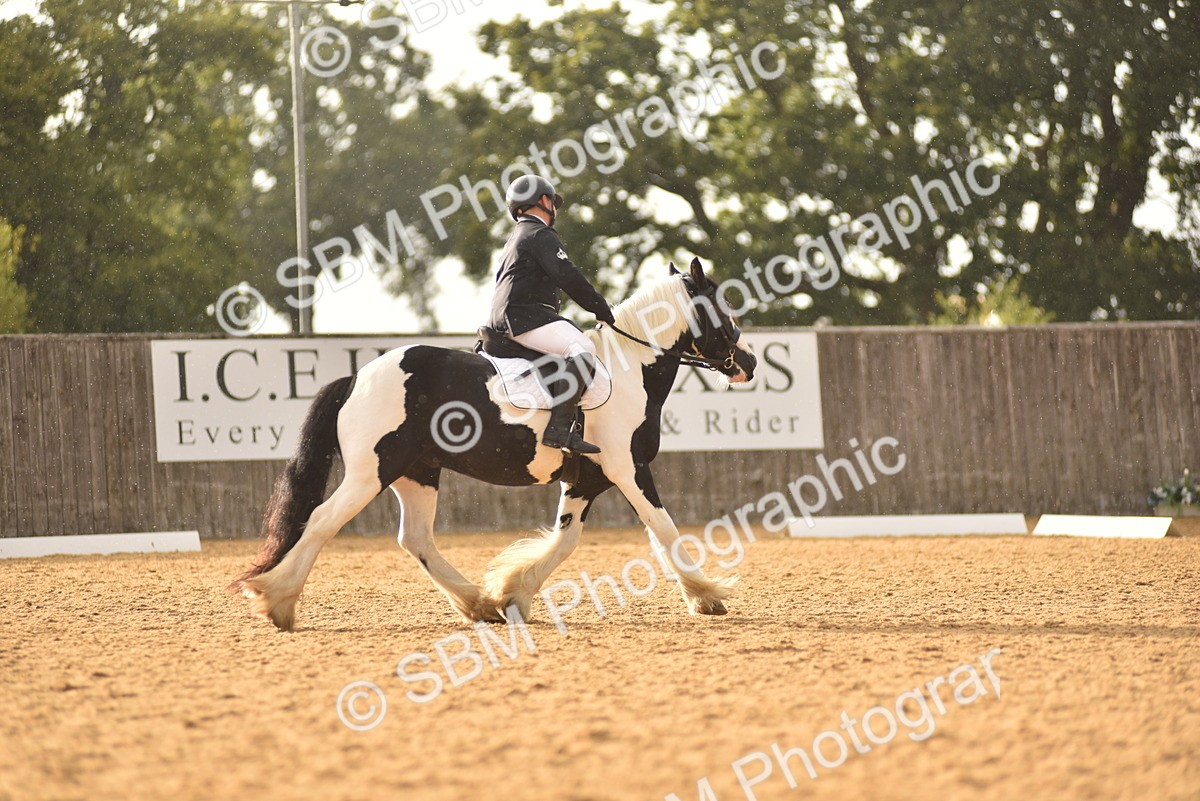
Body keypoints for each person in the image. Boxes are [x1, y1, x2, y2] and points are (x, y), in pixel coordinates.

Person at [487, 174, 615, 454]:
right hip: (524, 317)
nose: (555, 209)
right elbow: (567, 276)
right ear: (544, 201)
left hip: (508, 317)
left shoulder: (517, 237)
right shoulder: (540, 234)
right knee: (582, 347)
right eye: (553, 202)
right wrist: (601, 308)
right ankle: (558, 430)